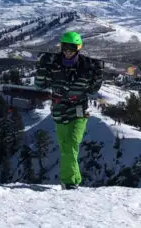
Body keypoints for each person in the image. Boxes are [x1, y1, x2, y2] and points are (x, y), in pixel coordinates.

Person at [35, 31, 103, 190]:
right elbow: (40, 85)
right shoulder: (53, 65)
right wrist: (42, 68)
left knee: (71, 144)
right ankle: (75, 178)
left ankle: (69, 182)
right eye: (65, 48)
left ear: (78, 48)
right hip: (59, 112)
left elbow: (93, 89)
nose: (67, 52)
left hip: (79, 111)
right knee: (66, 147)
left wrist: (98, 74)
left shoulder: (87, 66)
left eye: (71, 49)